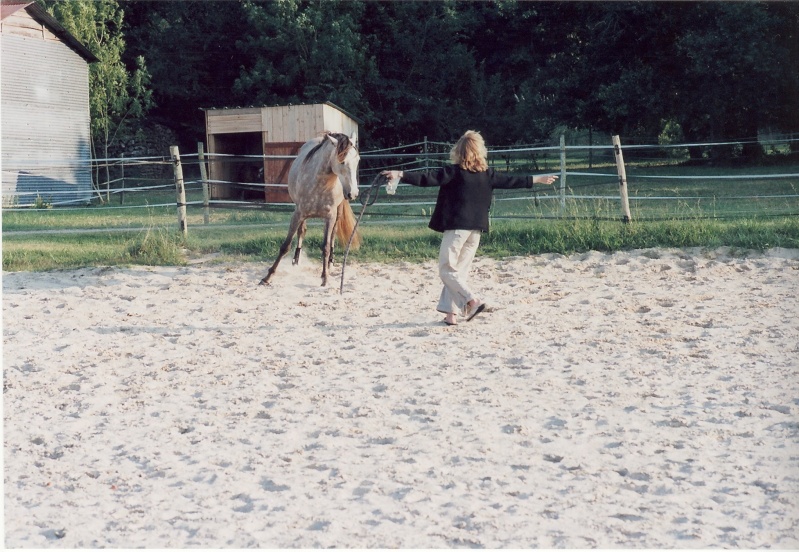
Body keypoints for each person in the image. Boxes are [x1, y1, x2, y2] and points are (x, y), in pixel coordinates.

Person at [382, 130, 558, 326]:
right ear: (480, 151)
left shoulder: (454, 172)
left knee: (446, 271)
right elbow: (511, 181)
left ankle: (473, 301)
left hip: (457, 229)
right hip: (476, 231)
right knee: (458, 273)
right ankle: (451, 314)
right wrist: (537, 179)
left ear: (459, 151)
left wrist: (400, 174)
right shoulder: (488, 174)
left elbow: (427, 178)